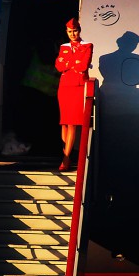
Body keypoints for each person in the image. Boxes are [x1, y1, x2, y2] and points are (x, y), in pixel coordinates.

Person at [54, 17, 93, 171]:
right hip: (64, 88)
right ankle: (67, 155)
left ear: (79, 31)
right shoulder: (63, 47)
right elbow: (58, 66)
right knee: (64, 123)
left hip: (78, 87)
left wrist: (68, 63)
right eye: (70, 31)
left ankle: (65, 158)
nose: (72, 34)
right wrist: (74, 62)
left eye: (75, 31)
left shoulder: (87, 45)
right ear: (67, 32)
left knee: (71, 124)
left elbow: (83, 66)